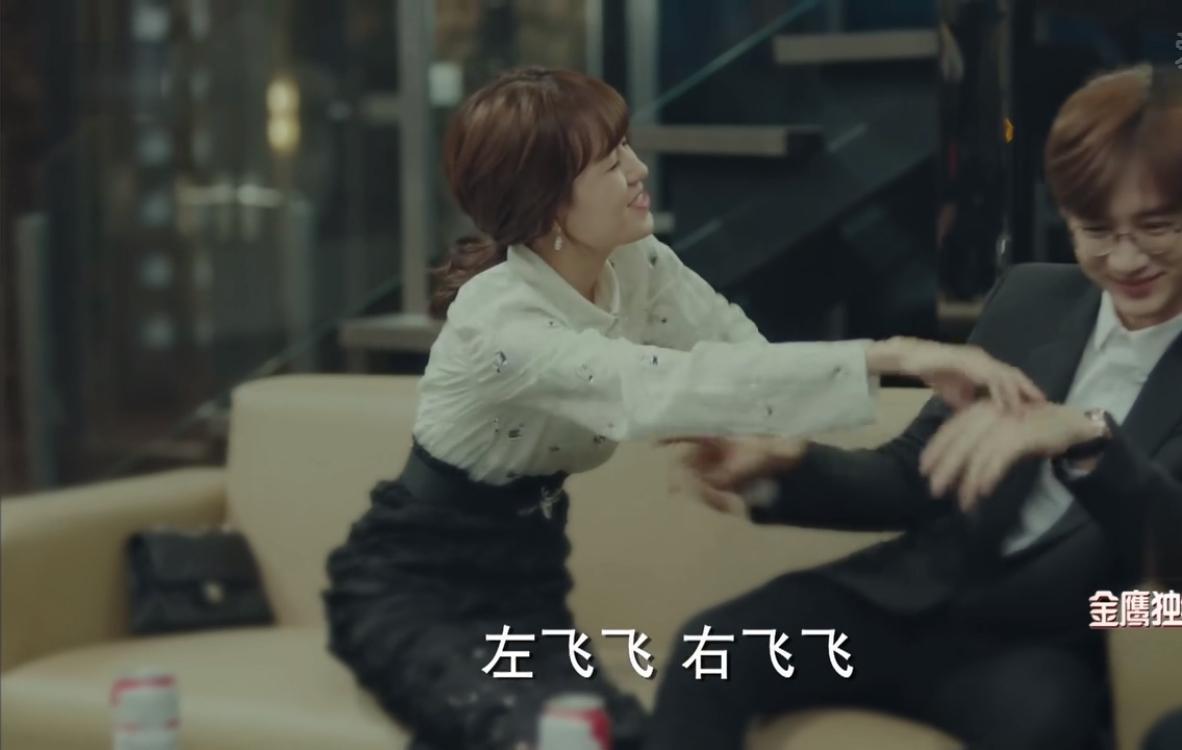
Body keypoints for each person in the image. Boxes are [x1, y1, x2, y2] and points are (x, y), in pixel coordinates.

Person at [320, 67, 1039, 750]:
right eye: (611, 164)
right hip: (412, 582)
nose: (638, 170)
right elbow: (648, 388)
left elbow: (743, 358)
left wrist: (778, 449)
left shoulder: (638, 265)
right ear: (548, 205)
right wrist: (896, 355)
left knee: (623, 735)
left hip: (525, 578)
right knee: (534, 731)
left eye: (627, 148)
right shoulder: (498, 319)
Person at [650, 64, 1182, 750]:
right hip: (907, 598)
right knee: (713, 650)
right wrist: (784, 465)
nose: (1125, 260)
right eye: (1097, 230)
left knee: (1046, 729)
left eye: (1157, 227)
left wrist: (1088, 442)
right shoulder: (1032, 299)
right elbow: (915, 473)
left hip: (1046, 643)